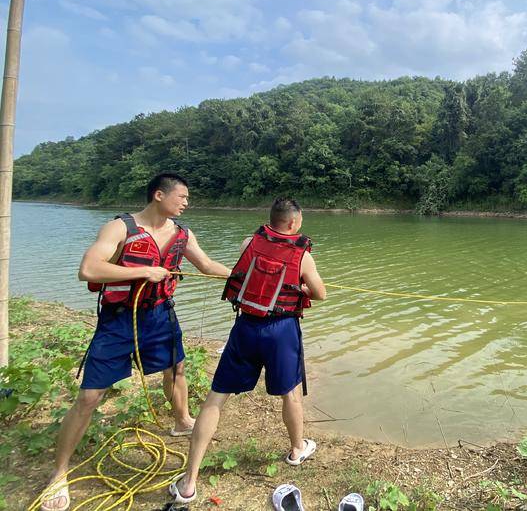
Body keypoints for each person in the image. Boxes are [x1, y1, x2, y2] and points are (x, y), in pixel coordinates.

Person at [39, 173, 232, 511]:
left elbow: (205, 264)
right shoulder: (120, 228)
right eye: (182, 196)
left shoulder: (182, 234)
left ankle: (182, 421)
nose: (187, 202)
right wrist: (142, 272)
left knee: (177, 369)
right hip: (117, 321)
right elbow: (88, 269)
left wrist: (243, 275)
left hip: (160, 315)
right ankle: (59, 473)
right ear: (159, 195)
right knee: (89, 396)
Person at [169, 198, 326, 505]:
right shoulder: (302, 256)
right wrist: (302, 288)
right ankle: (297, 449)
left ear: (272, 220)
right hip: (281, 331)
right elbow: (320, 294)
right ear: (294, 223)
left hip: (246, 327)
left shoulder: (248, 243)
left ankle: (189, 482)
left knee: (216, 397)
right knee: (290, 393)